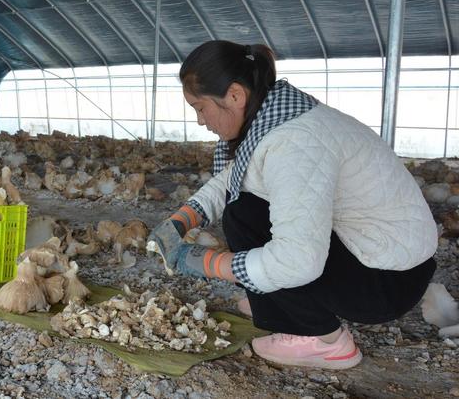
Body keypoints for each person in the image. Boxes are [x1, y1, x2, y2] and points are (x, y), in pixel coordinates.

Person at [148, 40, 437, 370]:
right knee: (246, 204)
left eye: (200, 108)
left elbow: (298, 260)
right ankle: (275, 303)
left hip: (386, 282)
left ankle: (325, 340)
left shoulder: (294, 141)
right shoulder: (276, 117)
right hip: (389, 256)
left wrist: (208, 263)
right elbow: (233, 178)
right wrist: (182, 220)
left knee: (244, 215)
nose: (200, 120)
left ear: (235, 95)